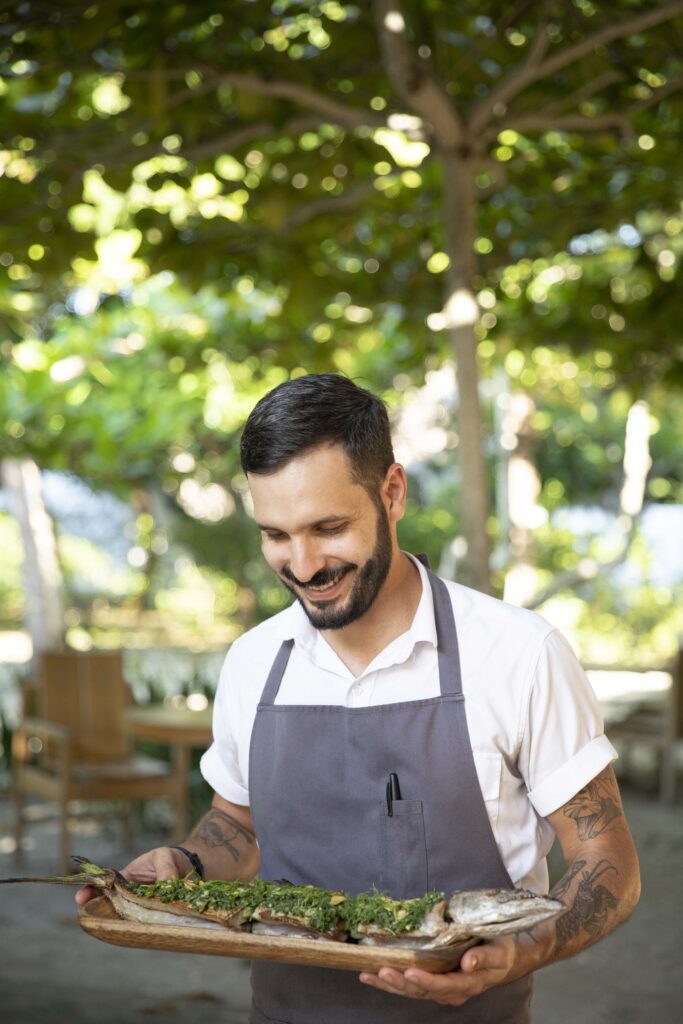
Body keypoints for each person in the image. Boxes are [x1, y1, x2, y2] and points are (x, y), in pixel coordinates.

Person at [77, 373, 640, 1023]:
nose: (305, 564)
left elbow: (608, 863)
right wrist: (184, 862)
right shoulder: (253, 662)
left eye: (328, 527)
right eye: (276, 535)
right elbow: (239, 825)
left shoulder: (518, 654)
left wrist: (517, 953)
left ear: (391, 492)